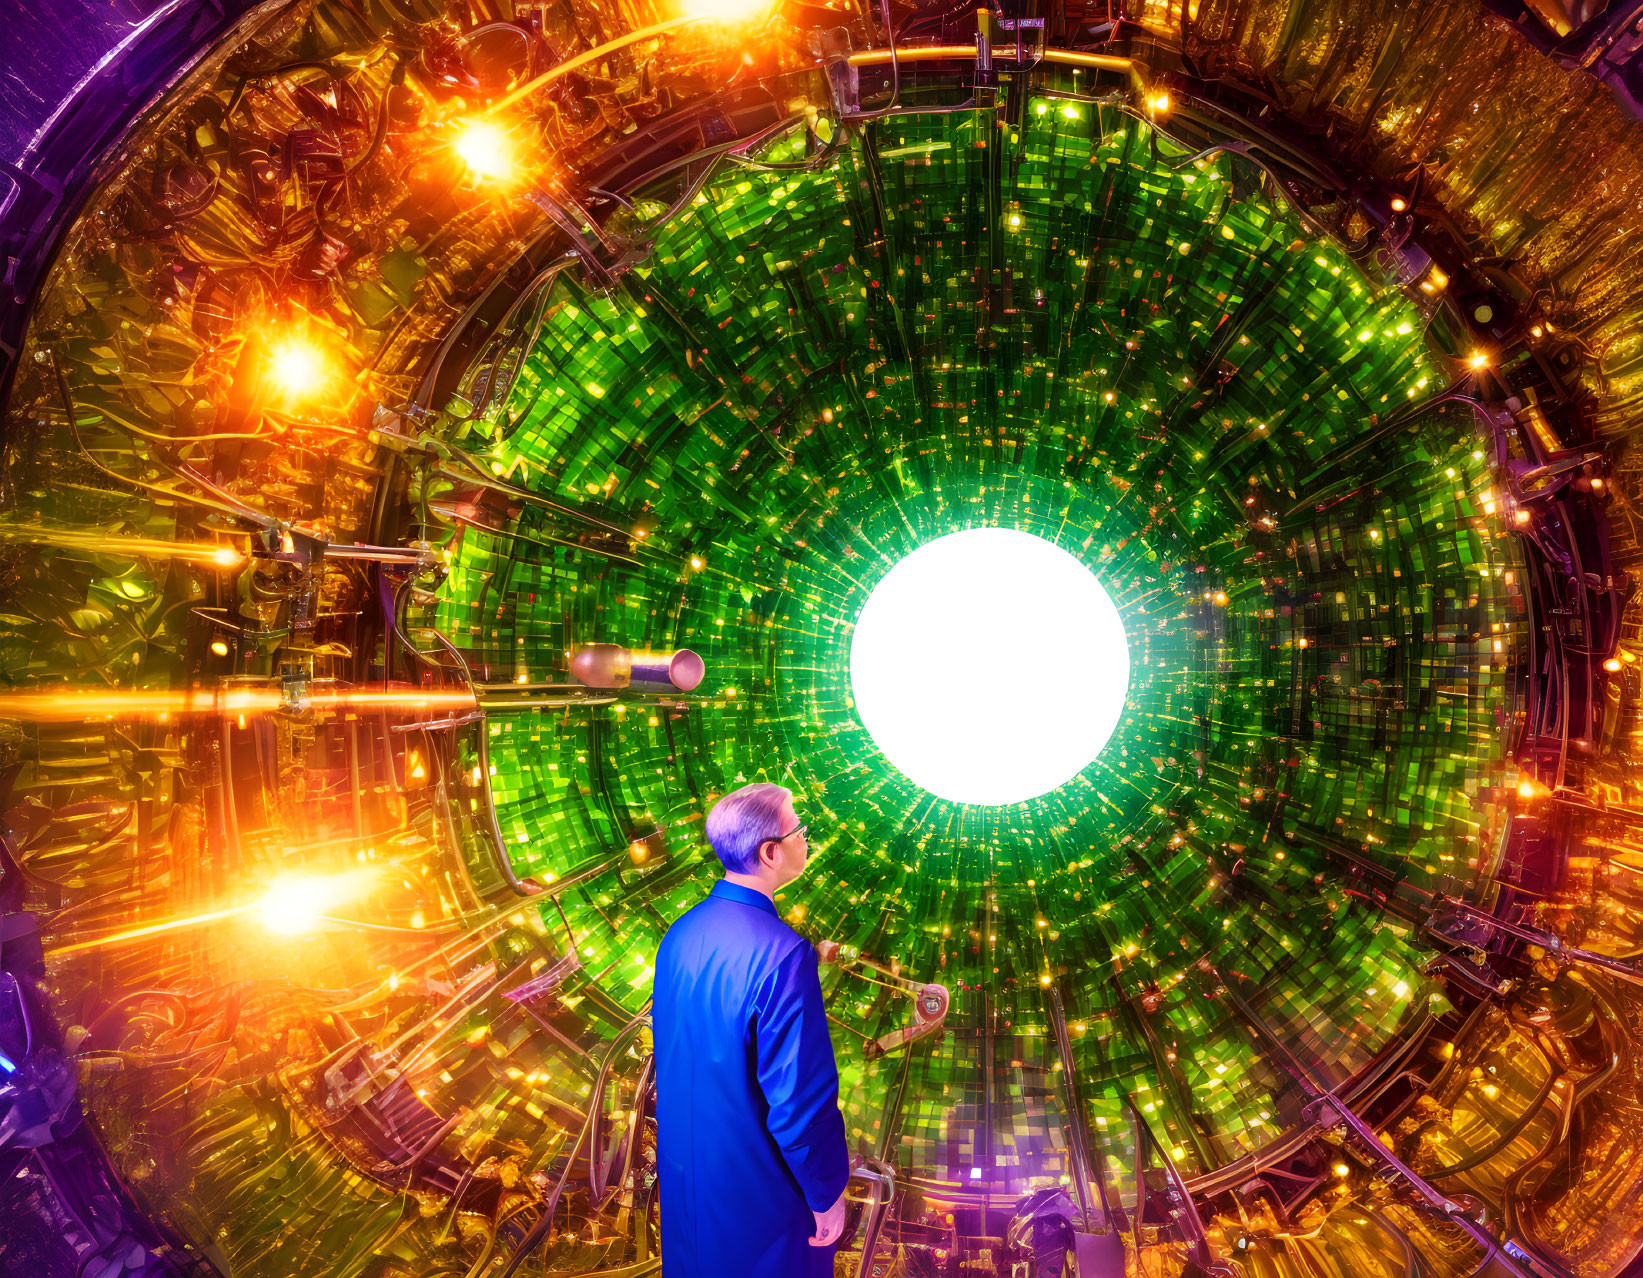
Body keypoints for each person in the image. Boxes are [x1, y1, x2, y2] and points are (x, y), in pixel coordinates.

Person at [652, 782, 851, 1277]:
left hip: (689, 1183)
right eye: (800, 830)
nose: (807, 840)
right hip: (760, 1196)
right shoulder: (783, 955)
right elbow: (800, 1104)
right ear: (770, 851)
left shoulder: (680, 933)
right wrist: (826, 1192)